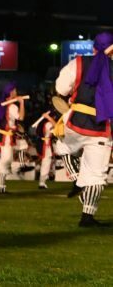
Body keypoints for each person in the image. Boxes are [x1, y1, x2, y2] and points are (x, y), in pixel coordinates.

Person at [54, 32, 112, 227]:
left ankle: (77, 178)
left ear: (94, 48)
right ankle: (87, 217)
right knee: (96, 176)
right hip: (101, 128)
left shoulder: (77, 63)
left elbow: (61, 89)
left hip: (75, 122)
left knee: (61, 144)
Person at [0, 82, 25, 194]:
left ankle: (2, 186)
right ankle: (0, 185)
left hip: (3, 135)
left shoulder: (1, 104)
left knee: (8, 159)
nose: (16, 92)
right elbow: (21, 117)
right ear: (11, 92)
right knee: (6, 159)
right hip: (6, 136)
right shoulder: (12, 106)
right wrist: (22, 103)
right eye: (15, 90)